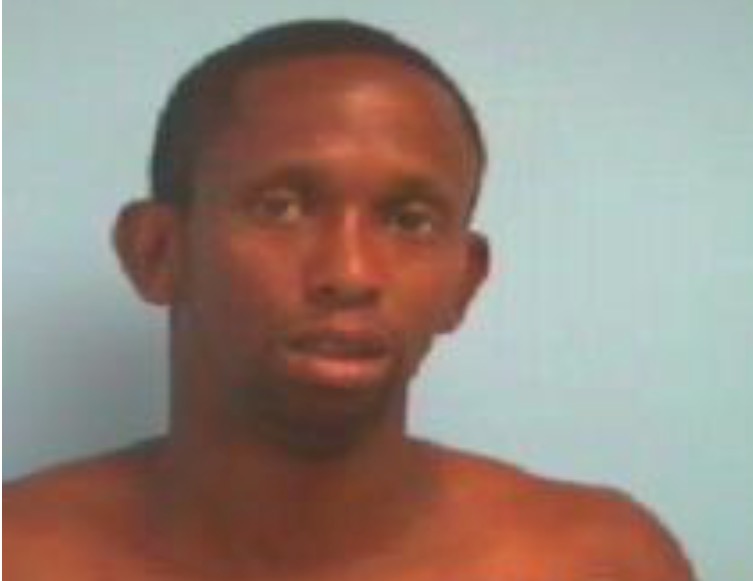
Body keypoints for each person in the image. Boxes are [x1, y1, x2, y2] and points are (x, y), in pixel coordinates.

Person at [4, 19, 696, 580]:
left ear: (464, 281)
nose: (350, 272)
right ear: (158, 252)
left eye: (409, 220)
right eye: (281, 207)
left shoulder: (598, 562)